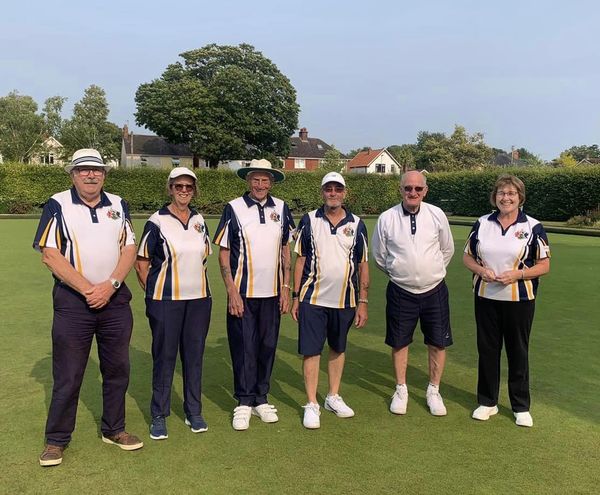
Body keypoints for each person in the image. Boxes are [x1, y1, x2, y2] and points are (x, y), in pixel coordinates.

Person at [33, 149, 142, 467]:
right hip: (73, 303)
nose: (91, 175)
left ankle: (114, 429)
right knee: (68, 374)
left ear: (104, 174)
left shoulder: (119, 204)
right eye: (83, 170)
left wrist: (111, 285)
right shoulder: (58, 203)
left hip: (115, 300)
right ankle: (56, 440)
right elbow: (49, 254)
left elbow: (130, 247)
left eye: (96, 170)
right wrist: (87, 289)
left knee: (118, 369)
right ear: (72, 174)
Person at [213, 159, 295, 431]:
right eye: (255, 179)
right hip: (243, 293)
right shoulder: (233, 208)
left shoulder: (282, 208)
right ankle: (244, 402)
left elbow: (286, 249)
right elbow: (224, 253)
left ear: (271, 182)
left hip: (272, 293)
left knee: (267, 346)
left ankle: (261, 398)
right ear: (248, 181)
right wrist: (231, 292)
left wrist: (286, 287)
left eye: (265, 180)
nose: (260, 185)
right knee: (243, 347)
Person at [463, 175, 550, 427]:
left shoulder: (533, 226)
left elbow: (544, 265)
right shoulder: (482, 223)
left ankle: (520, 406)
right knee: (488, 350)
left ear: (520, 197)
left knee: (518, 351)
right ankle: (487, 402)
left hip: (520, 299)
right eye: (502, 193)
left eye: (511, 193)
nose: (506, 198)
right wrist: (481, 271)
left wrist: (518, 274)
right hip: (485, 297)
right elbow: (467, 257)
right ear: (495, 196)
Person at [135, 167, 212, 440]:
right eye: (178, 186)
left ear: (194, 191)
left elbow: (203, 258)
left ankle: (194, 411)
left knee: (194, 357)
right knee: (165, 358)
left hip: (199, 300)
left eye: (188, 187)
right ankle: (159, 414)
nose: (183, 191)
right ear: (170, 188)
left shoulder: (199, 219)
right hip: (165, 301)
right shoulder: (156, 221)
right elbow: (142, 262)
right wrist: (155, 292)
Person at [371, 170, 455, 417]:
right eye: (408, 188)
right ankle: (401, 389)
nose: (413, 193)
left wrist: (430, 272)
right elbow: (379, 256)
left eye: (418, 189)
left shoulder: (437, 214)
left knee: (438, 342)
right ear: (401, 189)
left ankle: (434, 390)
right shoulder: (387, 218)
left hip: (435, 290)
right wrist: (401, 273)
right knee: (399, 342)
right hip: (400, 291)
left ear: (425, 191)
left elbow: (446, 249)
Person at [291, 172, 369, 429]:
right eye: (328, 189)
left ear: (344, 193)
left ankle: (332, 396)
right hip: (312, 298)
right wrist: (294, 296)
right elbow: (300, 259)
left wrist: (363, 300)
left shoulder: (357, 223)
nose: (333, 193)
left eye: (337, 189)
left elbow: (362, 264)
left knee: (338, 348)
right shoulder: (309, 220)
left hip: (345, 299)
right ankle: (312, 402)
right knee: (311, 350)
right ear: (322, 192)